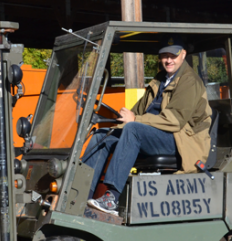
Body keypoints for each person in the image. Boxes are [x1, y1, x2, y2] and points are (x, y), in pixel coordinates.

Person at [82, 36, 212, 215]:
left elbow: (174, 120)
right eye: (164, 55)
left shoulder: (189, 81)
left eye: (172, 56)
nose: (168, 60)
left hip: (179, 140)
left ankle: (111, 197)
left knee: (133, 129)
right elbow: (139, 110)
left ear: (183, 54)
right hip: (154, 133)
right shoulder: (160, 80)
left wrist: (134, 120)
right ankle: (79, 195)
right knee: (102, 135)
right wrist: (121, 120)